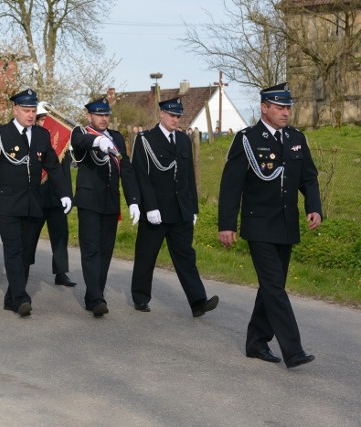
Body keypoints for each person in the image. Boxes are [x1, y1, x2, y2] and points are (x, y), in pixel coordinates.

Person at [218, 82, 322, 369]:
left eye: (288, 107)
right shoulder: (247, 139)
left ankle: (255, 341)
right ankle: (293, 349)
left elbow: (308, 177)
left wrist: (313, 206)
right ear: (264, 108)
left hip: (287, 225)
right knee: (275, 287)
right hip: (259, 225)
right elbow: (231, 187)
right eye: (279, 107)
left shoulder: (296, 138)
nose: (286, 112)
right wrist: (227, 224)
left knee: (271, 286)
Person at [0, 88, 72, 317]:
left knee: (26, 253)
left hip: (33, 203)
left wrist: (65, 193)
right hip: (7, 203)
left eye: (33, 110)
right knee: (13, 250)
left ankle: (11, 297)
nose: (30, 115)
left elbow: (52, 166)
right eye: (26, 110)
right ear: (15, 110)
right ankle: (21, 298)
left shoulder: (41, 135)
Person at [130, 98, 219, 316]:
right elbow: (141, 176)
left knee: (186, 257)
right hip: (156, 211)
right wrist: (149, 207)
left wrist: (194, 208)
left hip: (181, 211)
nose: (175, 120)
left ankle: (198, 301)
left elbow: (188, 176)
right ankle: (141, 297)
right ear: (161, 114)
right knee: (146, 256)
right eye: (172, 115)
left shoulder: (183, 140)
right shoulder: (146, 140)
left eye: (178, 116)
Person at [70, 97, 140, 318]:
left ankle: (93, 295)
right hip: (89, 201)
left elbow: (126, 170)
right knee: (91, 250)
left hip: (110, 202)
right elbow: (79, 143)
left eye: (106, 115)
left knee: (105, 252)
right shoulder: (81, 132)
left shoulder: (116, 137)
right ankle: (98, 298)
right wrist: (96, 143)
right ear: (90, 115)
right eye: (99, 114)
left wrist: (134, 200)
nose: (103, 118)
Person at [30, 101, 76, 287]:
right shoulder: (31, 140)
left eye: (45, 119)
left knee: (60, 237)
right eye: (40, 120)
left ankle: (61, 273)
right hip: (37, 197)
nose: (44, 123)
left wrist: (68, 196)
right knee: (30, 235)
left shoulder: (61, 142)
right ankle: (23, 266)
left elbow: (64, 172)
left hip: (57, 197)